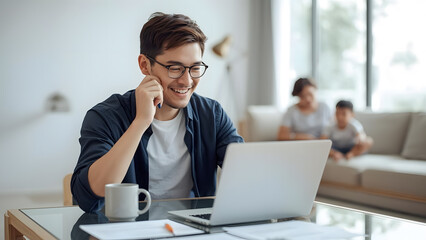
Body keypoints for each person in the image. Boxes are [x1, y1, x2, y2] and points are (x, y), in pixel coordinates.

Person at [71, 12, 244, 213]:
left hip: (191, 231)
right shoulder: (105, 117)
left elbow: (246, 173)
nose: (187, 81)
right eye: (174, 68)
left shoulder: (211, 115)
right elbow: (88, 195)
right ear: (145, 65)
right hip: (125, 231)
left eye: (195, 68)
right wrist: (141, 122)